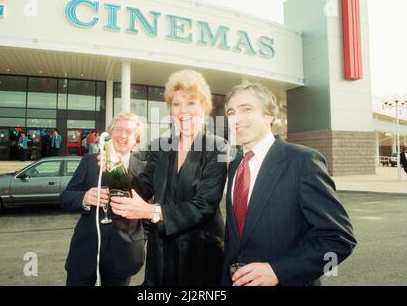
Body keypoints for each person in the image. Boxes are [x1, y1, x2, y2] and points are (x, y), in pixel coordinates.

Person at [221, 83, 357, 286]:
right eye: (231, 112)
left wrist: (278, 271)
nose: (236, 118)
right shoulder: (235, 166)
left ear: (268, 116)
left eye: (246, 109)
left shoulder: (303, 161)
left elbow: (338, 239)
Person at [109, 70, 228, 285]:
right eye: (176, 104)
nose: (183, 111)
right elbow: (141, 188)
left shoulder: (217, 147)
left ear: (203, 106)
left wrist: (152, 211)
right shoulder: (161, 146)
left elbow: (204, 205)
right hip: (162, 250)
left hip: (201, 251)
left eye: (191, 103)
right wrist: (117, 164)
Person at [61, 112, 151, 286]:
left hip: (123, 254)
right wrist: (84, 198)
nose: (122, 135)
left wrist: (138, 239)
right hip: (85, 251)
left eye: (129, 132)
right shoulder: (89, 161)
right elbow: (65, 197)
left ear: (137, 140)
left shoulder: (144, 169)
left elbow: (147, 214)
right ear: (110, 134)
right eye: (118, 129)